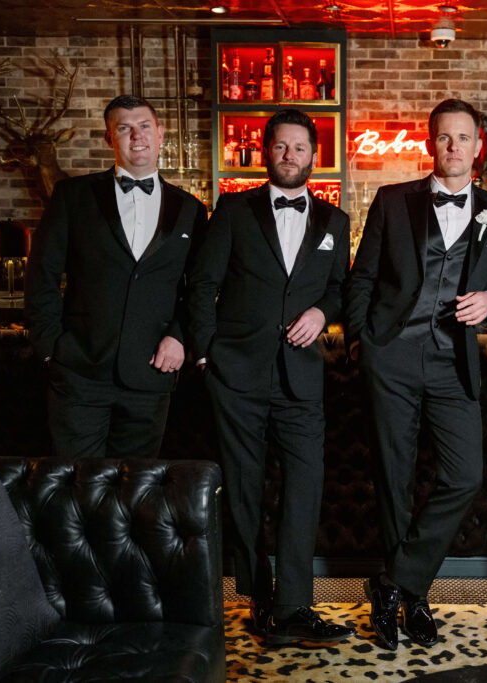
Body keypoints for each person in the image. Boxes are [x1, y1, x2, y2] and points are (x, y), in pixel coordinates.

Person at [345, 98, 487, 650]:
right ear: (429, 143)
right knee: (393, 481)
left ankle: (395, 582)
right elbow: (363, 275)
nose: (453, 147)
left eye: (463, 138)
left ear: (477, 147)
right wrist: (360, 343)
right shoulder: (394, 200)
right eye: (444, 137)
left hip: (452, 361)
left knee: (465, 475)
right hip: (392, 355)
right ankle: (412, 602)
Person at [186, 109, 354, 646]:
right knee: (244, 490)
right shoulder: (234, 210)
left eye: (299, 148)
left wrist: (321, 313)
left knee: (304, 488)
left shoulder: (335, 221)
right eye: (280, 147)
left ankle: (295, 607)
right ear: (266, 152)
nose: (289, 156)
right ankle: (259, 599)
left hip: (301, 378)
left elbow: (339, 289)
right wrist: (208, 355)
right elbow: (202, 283)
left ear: (313, 155)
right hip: (236, 374)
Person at [25, 94, 206, 459]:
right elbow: (41, 273)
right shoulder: (72, 195)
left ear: (160, 132)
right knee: (76, 486)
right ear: (110, 139)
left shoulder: (191, 209)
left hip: (151, 372)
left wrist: (179, 336)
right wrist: (52, 349)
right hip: (79, 372)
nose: (136, 136)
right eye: (124, 128)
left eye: (143, 126)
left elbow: (200, 287)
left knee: (133, 491)